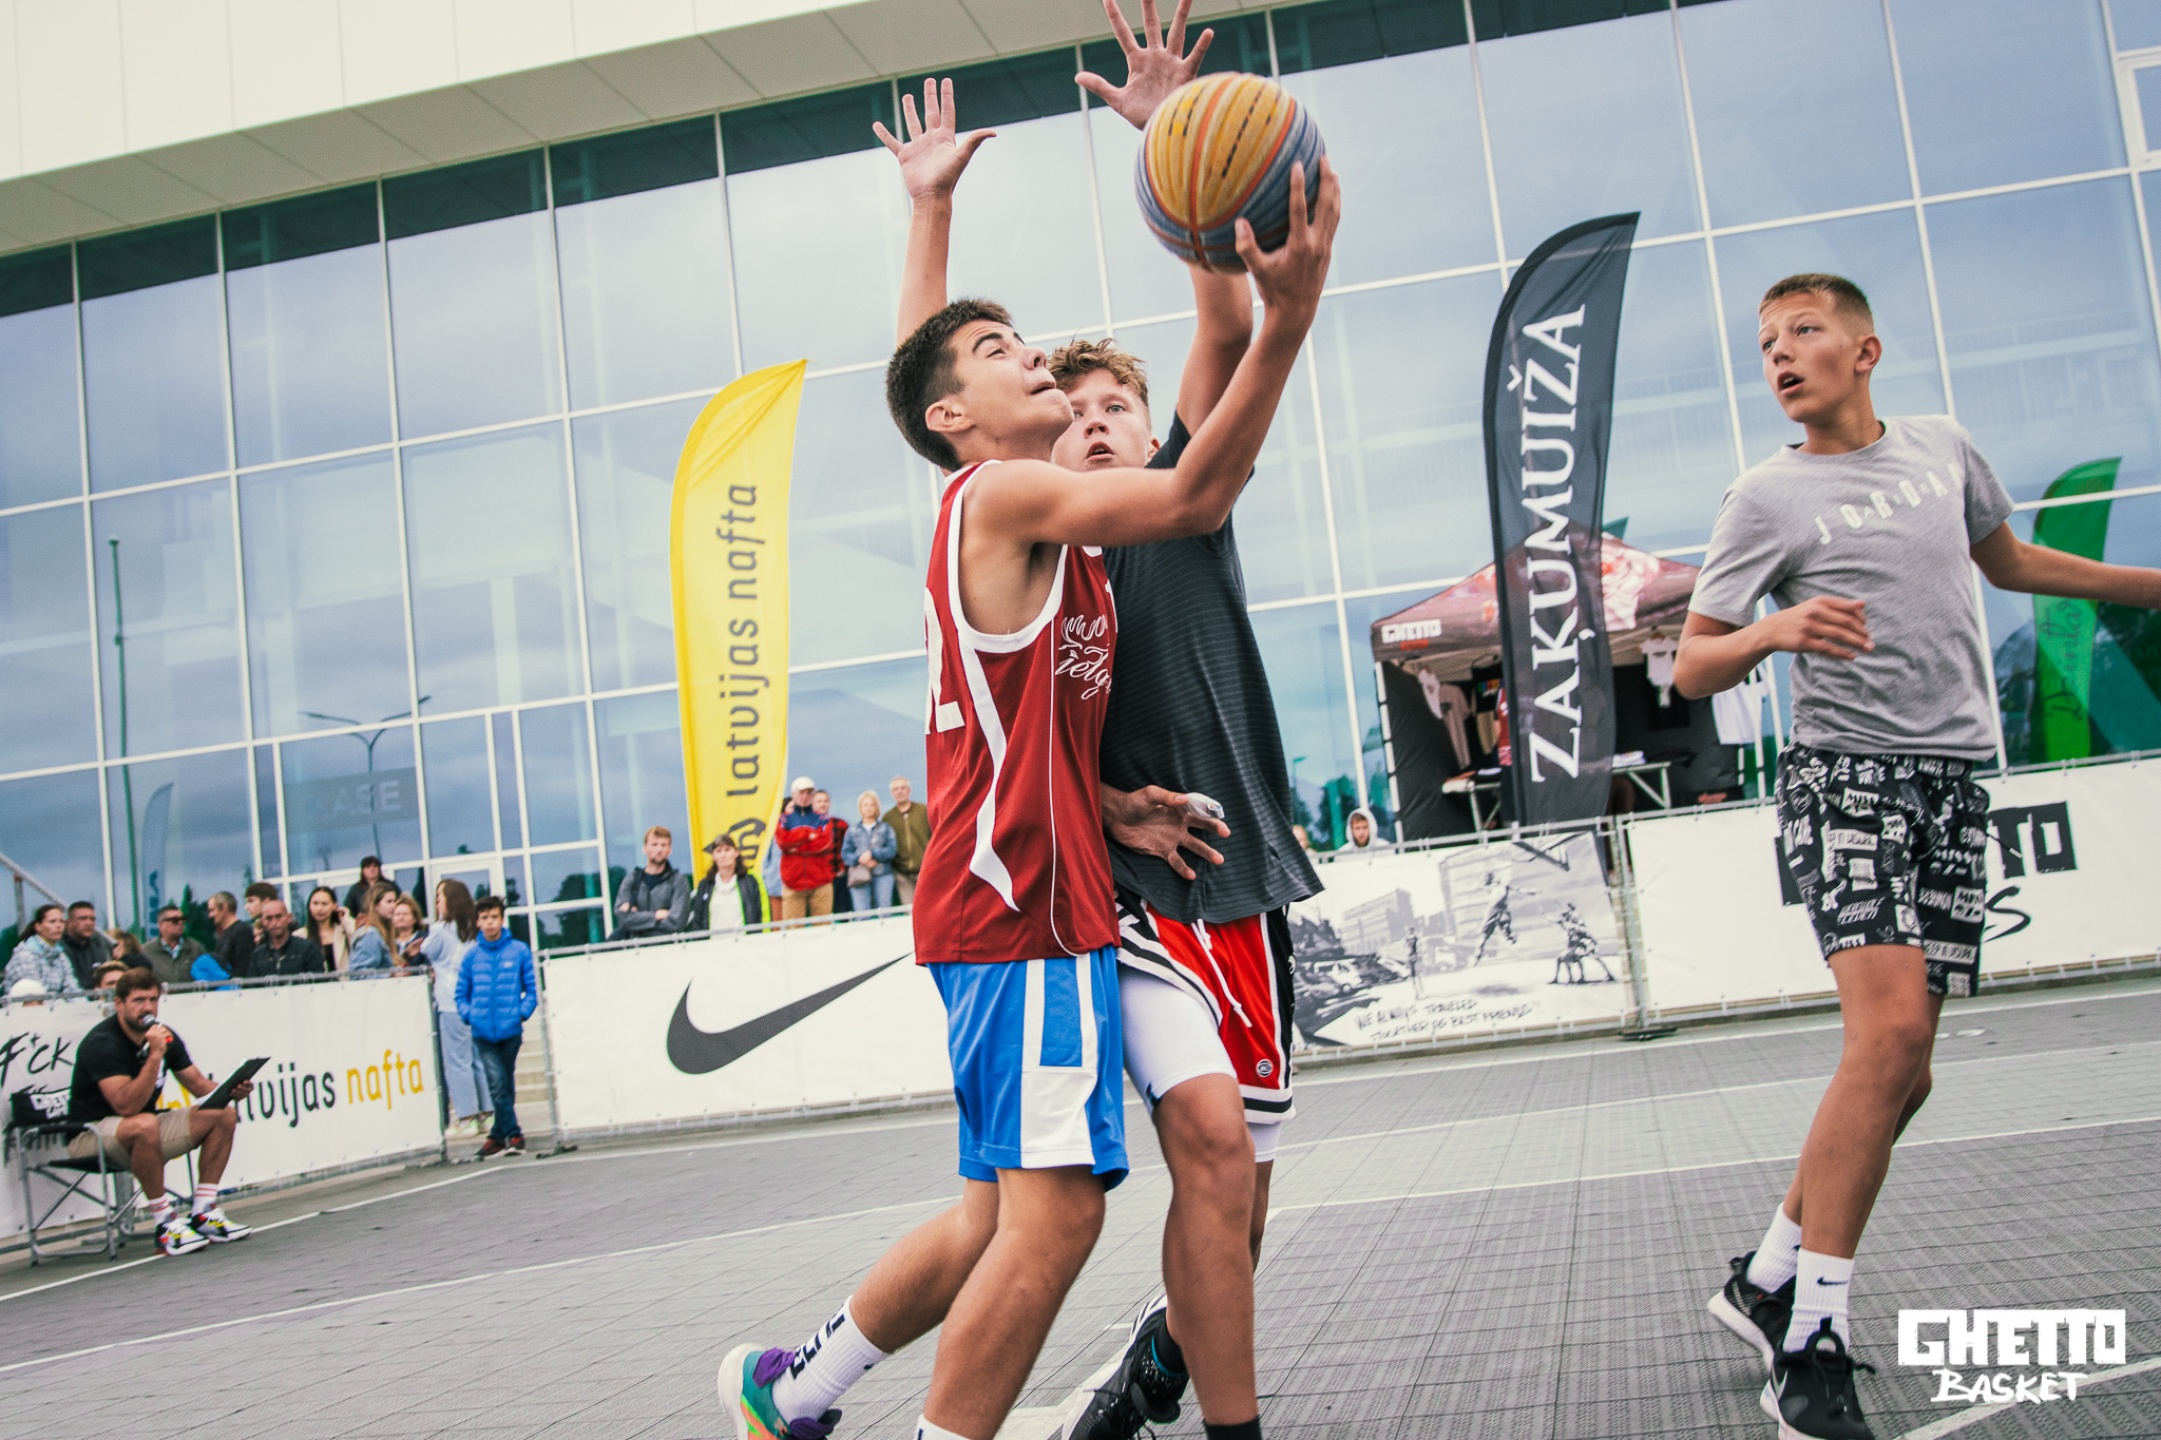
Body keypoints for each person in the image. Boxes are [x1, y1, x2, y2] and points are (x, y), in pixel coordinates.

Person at [718, 59, 1336, 1440]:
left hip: (1057, 889)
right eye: (1031, 365)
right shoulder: (1016, 503)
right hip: (1031, 907)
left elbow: (946, 383)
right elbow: (966, 404)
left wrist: (952, 206)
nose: (1055, 377)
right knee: (1065, 1214)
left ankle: (798, 1386)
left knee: (1010, 1213)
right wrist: (1291, 311)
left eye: (1090, 385)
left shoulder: (1063, 540)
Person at [1675, 272, 2161, 1440]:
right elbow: (1690, 666)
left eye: (1802, 332)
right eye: (1764, 342)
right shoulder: (1765, 497)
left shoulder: (1943, 449)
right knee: (1886, 1038)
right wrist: (1774, 628)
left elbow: (2015, 564)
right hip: (1844, 779)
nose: (1778, 354)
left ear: (1865, 349)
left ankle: (1766, 1276)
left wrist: (2149, 586)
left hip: (1950, 785)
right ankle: (1812, 1340)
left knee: (1910, 1071)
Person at [1036, 11, 1325, 1435]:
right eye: (1071, 410)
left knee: (1241, 1205)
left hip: (1240, 869)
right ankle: (1223, 1415)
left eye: (1118, 405)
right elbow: (1005, 754)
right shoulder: (1036, 568)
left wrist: (1172, 145)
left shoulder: (1183, 499)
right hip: (1136, 893)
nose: (1095, 421)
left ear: (1156, 432)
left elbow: (1221, 326)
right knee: (1208, 1152)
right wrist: (1101, 809)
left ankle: (1160, 1360)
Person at [66, 967, 256, 1255]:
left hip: (141, 1126)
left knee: (223, 1115)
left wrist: (232, 1089)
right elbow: (126, 1106)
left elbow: (198, 1084)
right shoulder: (102, 1043)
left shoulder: (164, 1035)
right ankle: (164, 1222)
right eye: (139, 1000)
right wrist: (155, 1055)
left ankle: (204, 1212)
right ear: (118, 1004)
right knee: (143, 1124)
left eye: (153, 1000)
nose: (147, 1008)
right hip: (89, 1134)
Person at [458, 894, 537, 1158]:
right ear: (477, 922)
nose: (490, 922)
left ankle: (496, 1136)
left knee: (505, 1082)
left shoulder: (519, 951)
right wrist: (469, 1015)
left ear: (502, 920)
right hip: (482, 1032)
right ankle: (514, 1134)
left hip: (510, 1030)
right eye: (485, 918)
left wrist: (520, 1014)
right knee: (497, 1083)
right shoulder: (471, 956)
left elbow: (532, 989)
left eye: (494, 917)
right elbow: (461, 994)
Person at [424, 879, 493, 1136]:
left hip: (451, 1002)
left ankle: (466, 1117)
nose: (437, 904)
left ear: (450, 901)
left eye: (439, 898)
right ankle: (488, 1114)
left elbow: (426, 950)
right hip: (475, 1001)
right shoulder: (474, 930)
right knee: (477, 1060)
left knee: (457, 1062)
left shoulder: (440, 930)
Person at [774, 777, 838, 923]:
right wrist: (808, 835)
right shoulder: (783, 819)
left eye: (809, 792)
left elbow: (824, 843)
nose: (805, 796)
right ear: (794, 794)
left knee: (823, 927)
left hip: (821, 882)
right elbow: (783, 841)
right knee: (793, 930)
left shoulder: (823, 818)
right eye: (801, 792)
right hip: (793, 883)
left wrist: (795, 845)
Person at [611, 825, 691, 941]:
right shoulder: (632, 881)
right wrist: (656, 915)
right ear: (644, 848)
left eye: (664, 845)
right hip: (636, 949)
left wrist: (637, 924)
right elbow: (623, 919)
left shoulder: (679, 882)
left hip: (668, 948)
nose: (659, 849)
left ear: (670, 850)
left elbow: (676, 923)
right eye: (654, 844)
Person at [688, 835, 765, 934]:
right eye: (719, 851)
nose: (723, 855)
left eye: (727, 850)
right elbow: (697, 922)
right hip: (714, 942)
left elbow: (759, 915)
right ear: (713, 856)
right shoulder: (704, 886)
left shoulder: (750, 882)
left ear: (736, 853)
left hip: (744, 942)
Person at [843, 791, 900, 912]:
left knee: (884, 912)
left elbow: (892, 850)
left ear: (877, 807)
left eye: (872, 804)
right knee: (862, 913)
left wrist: (873, 854)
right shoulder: (852, 830)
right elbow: (845, 854)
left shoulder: (885, 828)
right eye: (865, 805)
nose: (869, 808)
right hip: (859, 876)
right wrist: (860, 859)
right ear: (860, 807)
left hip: (883, 874)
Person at [246, 898, 328, 978]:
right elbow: (252, 985)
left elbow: (319, 982)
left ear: (289, 918)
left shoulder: (307, 949)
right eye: (269, 918)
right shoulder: (257, 955)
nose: (274, 922)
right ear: (263, 921)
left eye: (278, 916)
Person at [883, 775, 932, 906]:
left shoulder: (923, 810)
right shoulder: (888, 817)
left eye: (903, 788)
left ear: (909, 790)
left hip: (925, 869)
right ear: (892, 793)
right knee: (909, 910)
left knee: (928, 906)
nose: (900, 791)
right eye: (896, 789)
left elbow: (934, 836)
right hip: (902, 874)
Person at [7, 904, 76, 995]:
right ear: (38, 927)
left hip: (57, 1003)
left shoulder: (61, 955)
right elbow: (32, 996)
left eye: (61, 921)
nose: (58, 925)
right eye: (52, 921)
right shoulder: (25, 955)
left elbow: (72, 989)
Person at [140, 905, 204, 988]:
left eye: (183, 919)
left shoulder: (196, 948)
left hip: (191, 996)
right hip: (161, 996)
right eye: (175, 920)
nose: (181, 923)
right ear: (161, 924)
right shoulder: (146, 951)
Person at [813, 789, 854, 916]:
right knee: (821, 916)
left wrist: (843, 869)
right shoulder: (806, 827)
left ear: (829, 803)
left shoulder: (840, 824)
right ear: (813, 804)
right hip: (817, 880)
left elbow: (850, 847)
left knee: (843, 914)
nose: (822, 804)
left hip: (838, 877)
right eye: (819, 801)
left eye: (825, 801)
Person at [60, 901, 113, 990]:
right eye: (82, 919)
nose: (88, 923)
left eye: (92, 919)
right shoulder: (59, 949)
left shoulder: (100, 946)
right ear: (68, 923)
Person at [347, 883, 397, 974]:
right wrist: (392, 976)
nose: (394, 905)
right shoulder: (369, 934)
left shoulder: (380, 931)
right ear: (375, 905)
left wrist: (407, 955)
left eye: (394, 901)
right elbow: (359, 975)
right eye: (389, 902)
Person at [302, 885, 353, 972]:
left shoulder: (343, 930)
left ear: (334, 906)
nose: (319, 908)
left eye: (324, 904)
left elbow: (357, 939)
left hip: (344, 980)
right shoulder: (300, 935)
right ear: (309, 906)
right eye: (315, 903)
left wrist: (346, 919)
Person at [206, 890, 252, 982]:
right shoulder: (225, 935)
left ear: (224, 907)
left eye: (212, 910)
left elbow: (243, 969)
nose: (210, 915)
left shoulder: (242, 931)